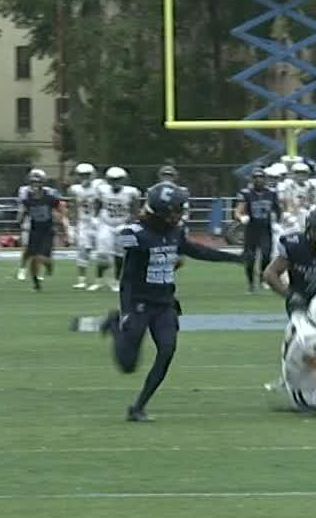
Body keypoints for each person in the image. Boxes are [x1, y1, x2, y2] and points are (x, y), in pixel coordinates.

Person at [99, 181, 243, 422]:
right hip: (139, 303)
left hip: (164, 303)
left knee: (167, 350)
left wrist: (234, 258)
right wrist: (125, 312)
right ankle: (114, 326)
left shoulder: (175, 232)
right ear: (162, 212)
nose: (180, 214)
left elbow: (198, 251)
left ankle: (138, 407)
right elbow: (127, 277)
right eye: (176, 210)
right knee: (128, 365)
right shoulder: (136, 234)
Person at [16, 168, 72, 291]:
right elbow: (23, 212)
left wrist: (65, 231)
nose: (35, 185)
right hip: (34, 229)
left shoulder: (49, 196)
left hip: (47, 229)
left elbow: (61, 210)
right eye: (33, 182)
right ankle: (36, 283)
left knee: (42, 257)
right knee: (33, 256)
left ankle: (49, 265)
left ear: (43, 183)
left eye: (38, 182)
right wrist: (20, 222)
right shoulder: (27, 197)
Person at [92, 166, 142, 292]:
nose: (116, 182)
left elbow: (135, 209)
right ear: (108, 180)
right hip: (106, 224)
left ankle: (116, 281)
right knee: (102, 254)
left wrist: (132, 223)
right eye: (113, 180)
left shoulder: (131, 192)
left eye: (118, 179)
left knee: (120, 255)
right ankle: (99, 280)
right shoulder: (102, 190)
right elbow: (97, 204)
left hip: (122, 224)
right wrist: (95, 217)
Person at [234, 167, 281, 294]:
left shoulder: (271, 193)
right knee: (250, 258)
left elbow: (278, 209)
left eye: (261, 178)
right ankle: (251, 284)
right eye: (256, 178)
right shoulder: (246, 193)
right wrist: (241, 217)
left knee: (266, 255)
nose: (258, 180)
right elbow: (238, 210)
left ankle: (262, 279)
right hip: (251, 229)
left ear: (265, 179)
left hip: (266, 229)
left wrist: (279, 221)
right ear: (252, 179)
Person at [69, 162, 102, 290]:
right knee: (82, 250)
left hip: (99, 222)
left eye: (87, 175)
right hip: (83, 222)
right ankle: (81, 280)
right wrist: (72, 225)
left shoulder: (100, 186)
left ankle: (98, 280)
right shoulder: (75, 189)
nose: (84, 177)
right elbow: (73, 207)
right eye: (82, 175)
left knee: (102, 252)